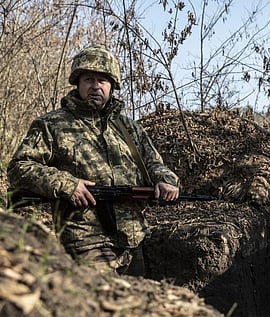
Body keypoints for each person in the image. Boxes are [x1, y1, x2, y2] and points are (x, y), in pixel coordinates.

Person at [7, 45, 180, 276]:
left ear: (112, 87)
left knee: (138, 308)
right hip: (84, 240)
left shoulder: (129, 128)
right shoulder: (52, 125)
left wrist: (165, 180)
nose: (96, 86)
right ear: (78, 82)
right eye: (89, 79)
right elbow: (19, 167)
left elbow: (154, 163)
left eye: (103, 80)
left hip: (133, 238)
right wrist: (67, 184)